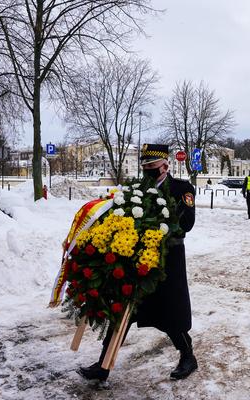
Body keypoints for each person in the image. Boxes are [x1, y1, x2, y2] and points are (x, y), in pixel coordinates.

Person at [78, 143, 198, 383]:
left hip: (168, 262)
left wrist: (158, 229)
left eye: (152, 166)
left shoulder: (181, 189)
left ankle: (188, 357)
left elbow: (186, 223)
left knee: (171, 313)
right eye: (144, 167)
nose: (148, 171)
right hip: (138, 261)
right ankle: (103, 365)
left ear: (166, 165)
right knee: (123, 310)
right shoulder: (137, 190)